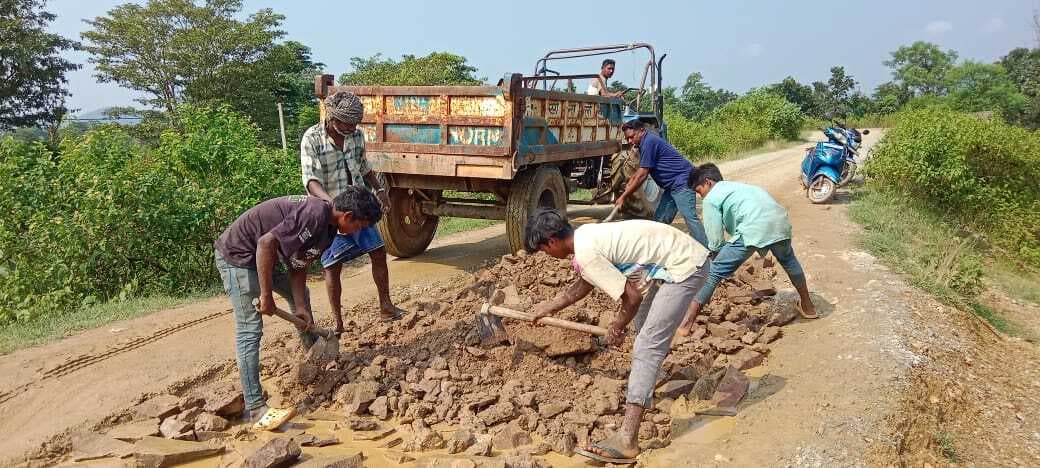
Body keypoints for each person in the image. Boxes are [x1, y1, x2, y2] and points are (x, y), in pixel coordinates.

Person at [525, 208, 710, 464]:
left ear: (552, 241)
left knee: (646, 345)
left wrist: (617, 325)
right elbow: (583, 284)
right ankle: (651, 385)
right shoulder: (585, 236)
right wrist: (548, 307)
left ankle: (627, 439)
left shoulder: (586, 252)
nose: (549, 256)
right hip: (672, 261)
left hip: (685, 267)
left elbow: (631, 296)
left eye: (545, 250)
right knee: (644, 321)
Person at [214, 187, 383, 422]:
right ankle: (255, 408)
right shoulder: (314, 214)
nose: (359, 232)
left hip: (264, 257)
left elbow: (298, 264)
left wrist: (300, 306)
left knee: (300, 294)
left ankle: (314, 359)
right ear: (348, 216)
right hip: (239, 256)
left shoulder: (330, 230)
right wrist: (266, 295)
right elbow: (265, 243)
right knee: (249, 329)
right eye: (360, 226)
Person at [301, 90, 407, 329]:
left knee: (379, 252)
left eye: (355, 124)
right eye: (347, 124)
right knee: (332, 266)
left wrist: (380, 191)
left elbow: (364, 167)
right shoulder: (312, 138)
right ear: (332, 118)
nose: (351, 128)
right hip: (331, 214)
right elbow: (310, 180)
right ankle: (338, 323)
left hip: (359, 208)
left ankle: (386, 306)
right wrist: (331, 206)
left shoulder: (356, 136)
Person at [677, 164, 817, 337]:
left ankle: (685, 324)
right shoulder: (740, 187)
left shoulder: (712, 198)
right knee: (789, 261)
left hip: (753, 228)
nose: (701, 196)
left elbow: (715, 241)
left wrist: (717, 260)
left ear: (708, 182)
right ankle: (808, 307)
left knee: (713, 273)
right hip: (779, 223)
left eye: (699, 191)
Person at [615, 120, 709, 247]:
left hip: (683, 182)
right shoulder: (644, 143)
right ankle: (654, 250)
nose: (630, 141)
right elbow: (639, 172)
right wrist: (629, 184)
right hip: (671, 187)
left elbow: (643, 174)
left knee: (690, 218)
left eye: (632, 137)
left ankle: (707, 251)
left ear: (642, 131)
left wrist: (623, 197)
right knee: (659, 221)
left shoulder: (649, 142)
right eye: (627, 139)